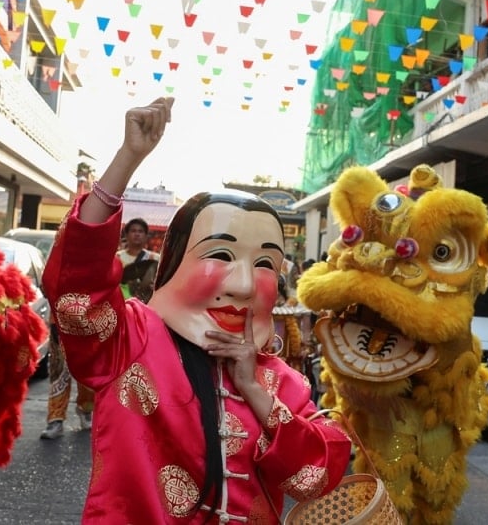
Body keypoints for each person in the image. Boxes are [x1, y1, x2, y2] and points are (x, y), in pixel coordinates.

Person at [42, 97, 352, 523]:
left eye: (264, 264)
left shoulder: (284, 383)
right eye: (220, 254)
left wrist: (254, 391)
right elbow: (76, 288)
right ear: (174, 262)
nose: (243, 285)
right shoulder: (131, 343)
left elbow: (314, 479)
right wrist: (128, 158)